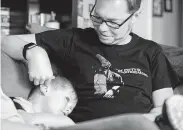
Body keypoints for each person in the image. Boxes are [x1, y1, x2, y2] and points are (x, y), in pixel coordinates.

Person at [2, 0, 183, 130]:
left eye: (113, 22)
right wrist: (34, 52)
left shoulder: (150, 51)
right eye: (97, 18)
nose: (103, 28)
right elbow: (6, 41)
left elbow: (162, 106)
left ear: (135, 16)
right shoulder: (75, 40)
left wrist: (154, 118)